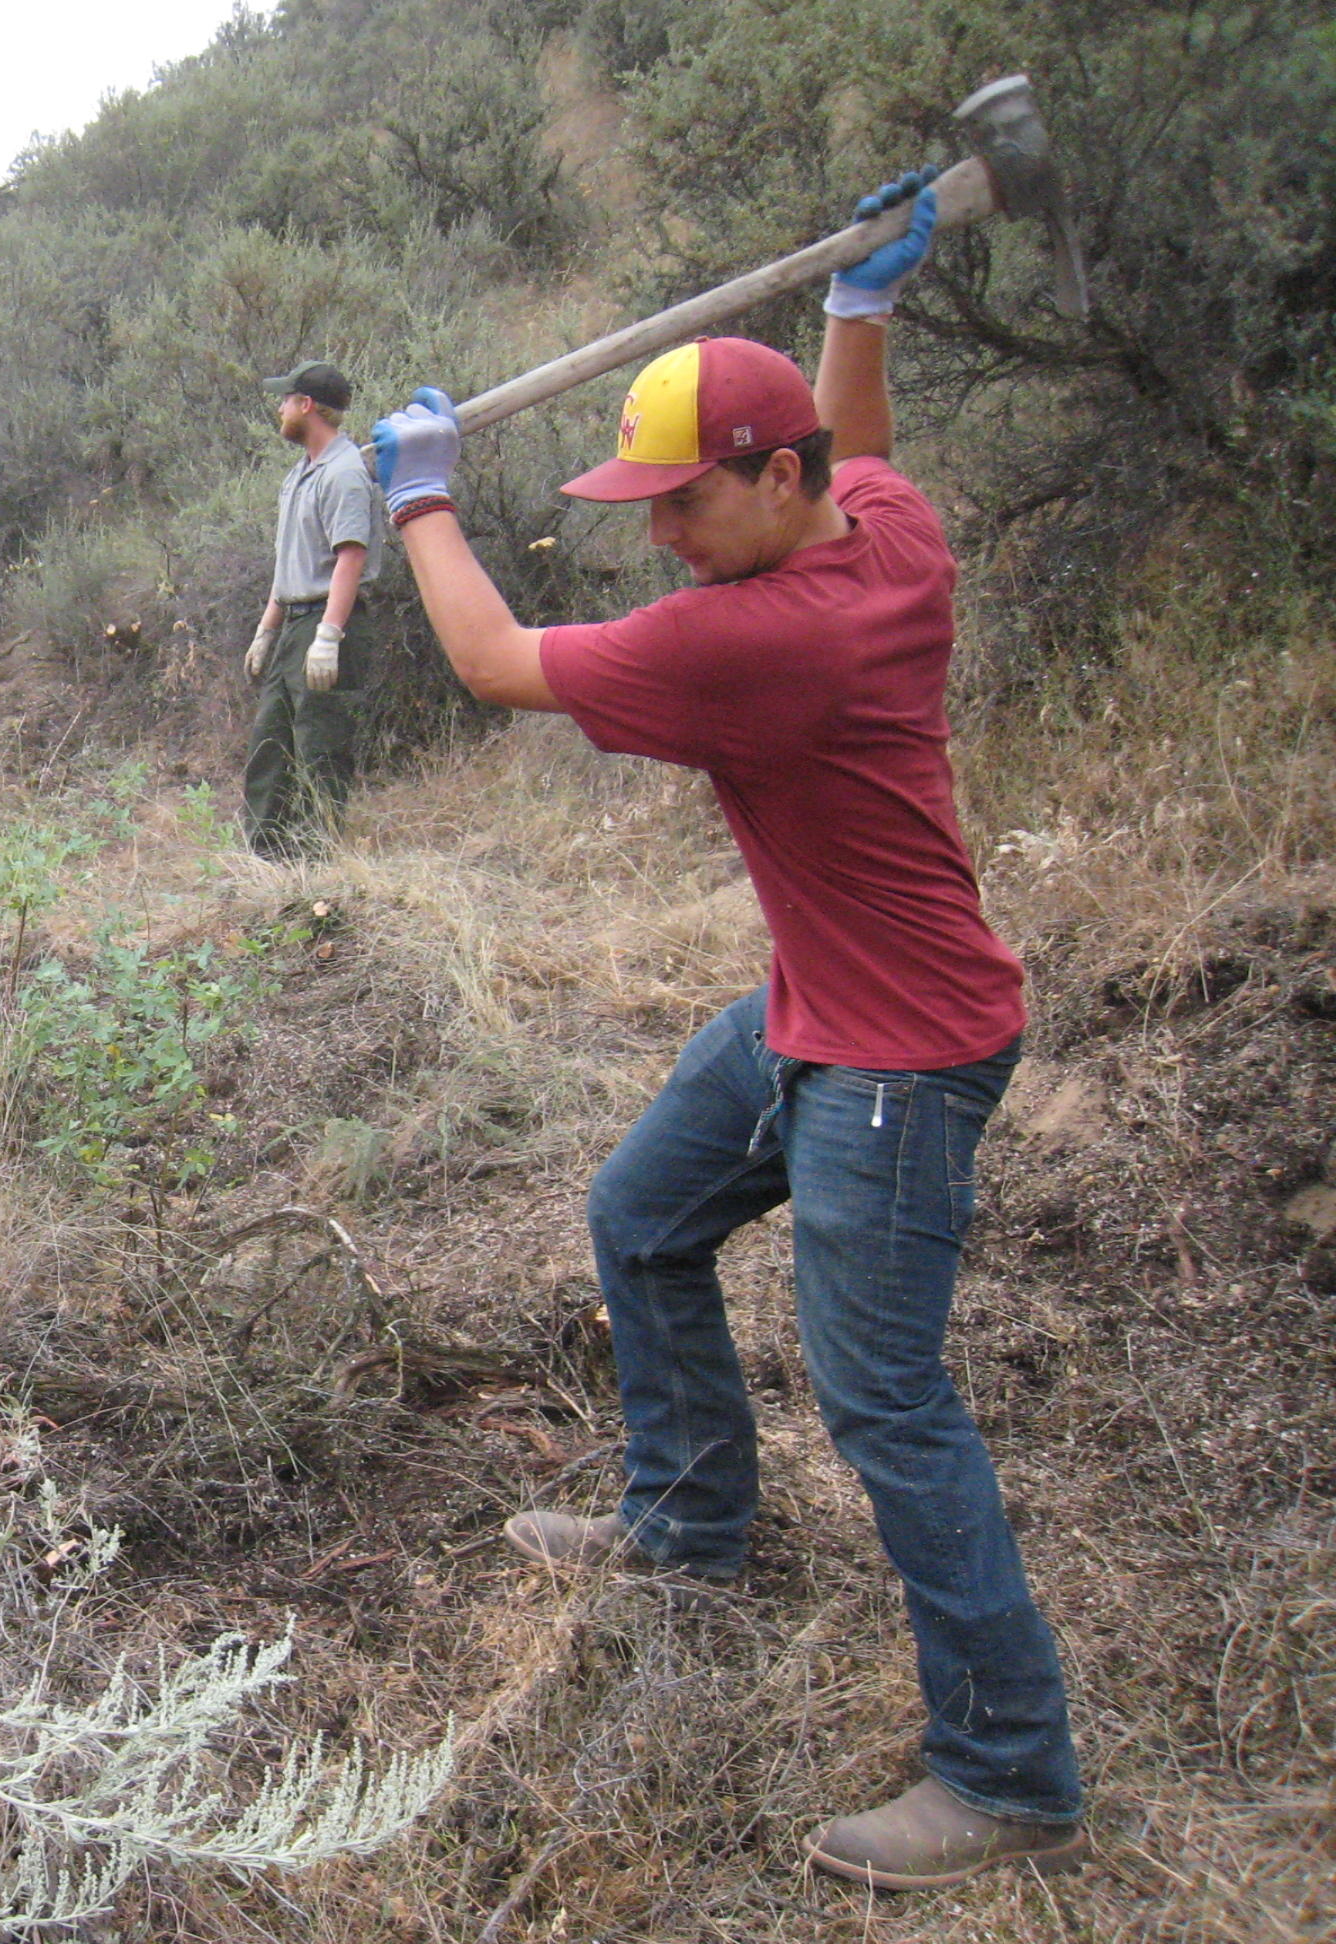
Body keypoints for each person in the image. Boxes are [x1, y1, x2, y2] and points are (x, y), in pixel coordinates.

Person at [367, 172, 1087, 1891]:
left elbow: (486, 660)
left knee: (886, 1399)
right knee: (640, 1213)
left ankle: (1011, 1768)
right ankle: (688, 1523)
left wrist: (414, 497)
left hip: (895, 1060)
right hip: (814, 1010)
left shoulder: (755, 643)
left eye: (679, 503)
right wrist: (863, 305)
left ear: (771, 487)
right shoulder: (877, 530)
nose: (656, 536)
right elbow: (859, 440)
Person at [241, 359, 384, 859]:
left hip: (328, 622)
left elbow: (351, 555)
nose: (279, 409)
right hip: (294, 625)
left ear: (306, 406)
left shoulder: (344, 472)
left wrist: (330, 636)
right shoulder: (298, 476)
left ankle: (315, 865)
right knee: (270, 745)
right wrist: (266, 631)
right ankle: (265, 860)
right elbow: (290, 568)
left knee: (319, 747)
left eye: (285, 400)